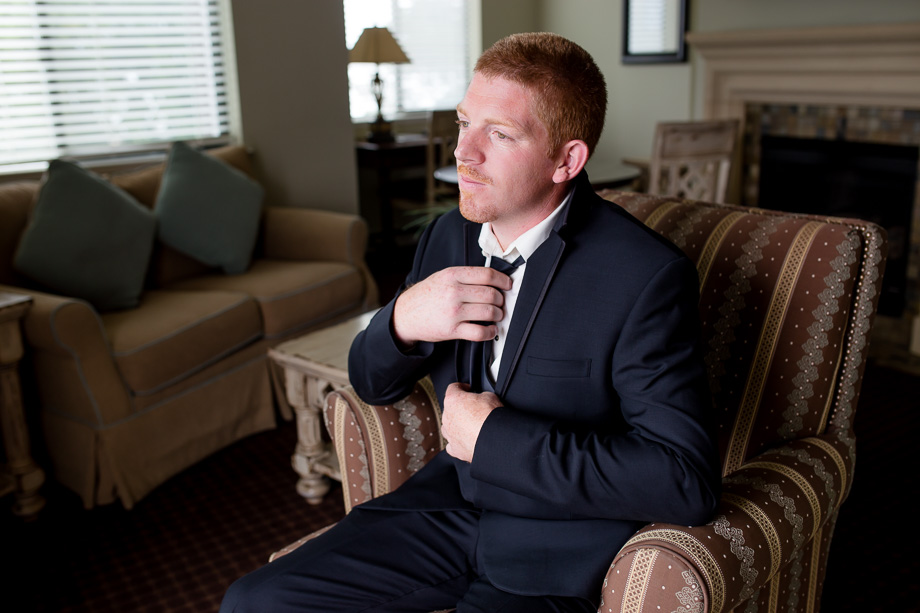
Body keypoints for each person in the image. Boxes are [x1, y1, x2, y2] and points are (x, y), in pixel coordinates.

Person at [220, 31, 720, 613]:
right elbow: (371, 380)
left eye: (498, 134)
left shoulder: (644, 276)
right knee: (254, 602)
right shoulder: (445, 235)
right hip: (443, 509)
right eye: (463, 123)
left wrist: (496, 440)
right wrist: (403, 319)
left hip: (555, 546)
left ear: (567, 159)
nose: (463, 153)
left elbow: (684, 479)